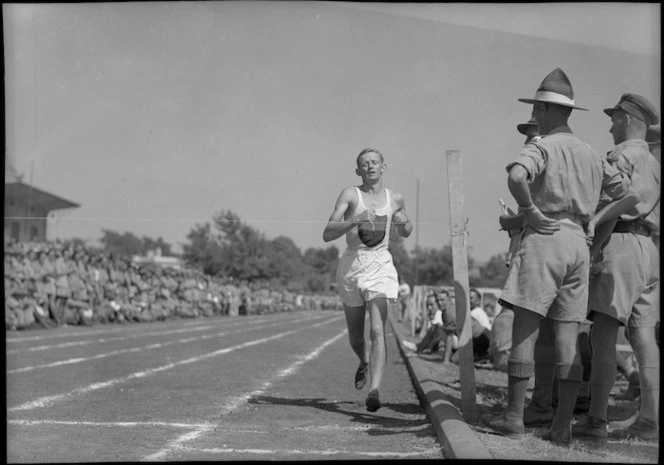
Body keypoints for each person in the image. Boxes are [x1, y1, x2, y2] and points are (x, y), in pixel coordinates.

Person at [482, 68, 630, 445]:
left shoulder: (542, 145)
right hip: (578, 244)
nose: (535, 115)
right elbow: (626, 194)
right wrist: (595, 224)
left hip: (546, 236)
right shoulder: (592, 153)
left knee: (525, 328)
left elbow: (517, 177)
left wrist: (530, 210)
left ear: (545, 111)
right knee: (568, 335)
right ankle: (561, 426)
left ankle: (514, 417)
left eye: (536, 109)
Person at [574, 93, 660, 441]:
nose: (610, 126)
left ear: (626, 119)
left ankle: (596, 419)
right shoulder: (655, 161)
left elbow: (619, 203)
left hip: (622, 243)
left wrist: (593, 243)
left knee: (604, 333)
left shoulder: (622, 156)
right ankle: (650, 419)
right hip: (650, 249)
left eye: (613, 119)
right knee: (643, 337)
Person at [323, 147, 413, 412]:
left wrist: (403, 223)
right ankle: (363, 360)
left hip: (380, 264)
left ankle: (374, 390)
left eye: (375, 162)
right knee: (356, 337)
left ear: (383, 167)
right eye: (365, 164)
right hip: (352, 265)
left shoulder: (395, 198)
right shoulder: (350, 195)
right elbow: (327, 233)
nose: (371, 166)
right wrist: (356, 220)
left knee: (376, 329)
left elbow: (406, 230)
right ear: (358, 170)